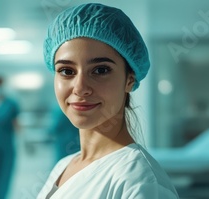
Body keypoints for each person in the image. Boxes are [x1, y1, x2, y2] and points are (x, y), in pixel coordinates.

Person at [37, 3, 179, 199]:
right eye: (66, 71)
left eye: (100, 70)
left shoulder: (140, 182)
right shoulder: (64, 166)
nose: (80, 88)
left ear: (129, 79)